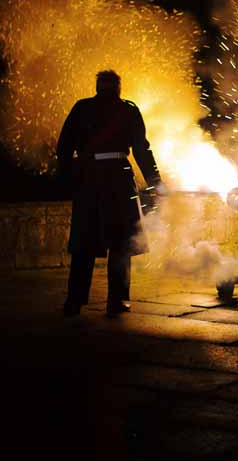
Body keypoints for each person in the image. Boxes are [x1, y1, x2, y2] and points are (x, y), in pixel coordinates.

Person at [56, 70, 166, 317]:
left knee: (84, 243)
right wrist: (155, 181)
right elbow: (141, 150)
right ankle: (117, 300)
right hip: (118, 178)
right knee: (120, 243)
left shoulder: (81, 108)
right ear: (118, 88)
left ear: (98, 87)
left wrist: (69, 177)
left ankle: (75, 301)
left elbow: (63, 147)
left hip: (89, 180)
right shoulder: (128, 109)